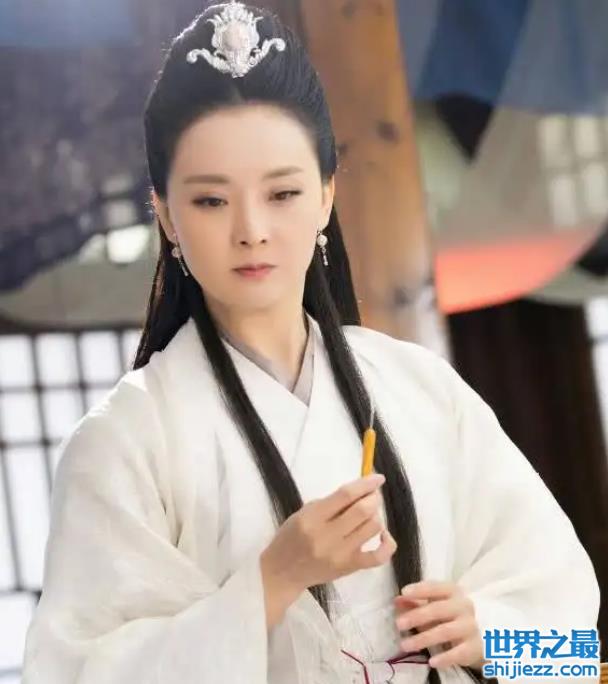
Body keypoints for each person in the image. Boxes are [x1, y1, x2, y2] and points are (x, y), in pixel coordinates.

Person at [22, 2, 600, 683]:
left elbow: (576, 656)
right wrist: (273, 579)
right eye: (210, 201)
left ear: (326, 197)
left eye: (283, 193)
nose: (252, 229)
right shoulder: (127, 438)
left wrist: (491, 637)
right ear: (166, 215)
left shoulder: (423, 391)